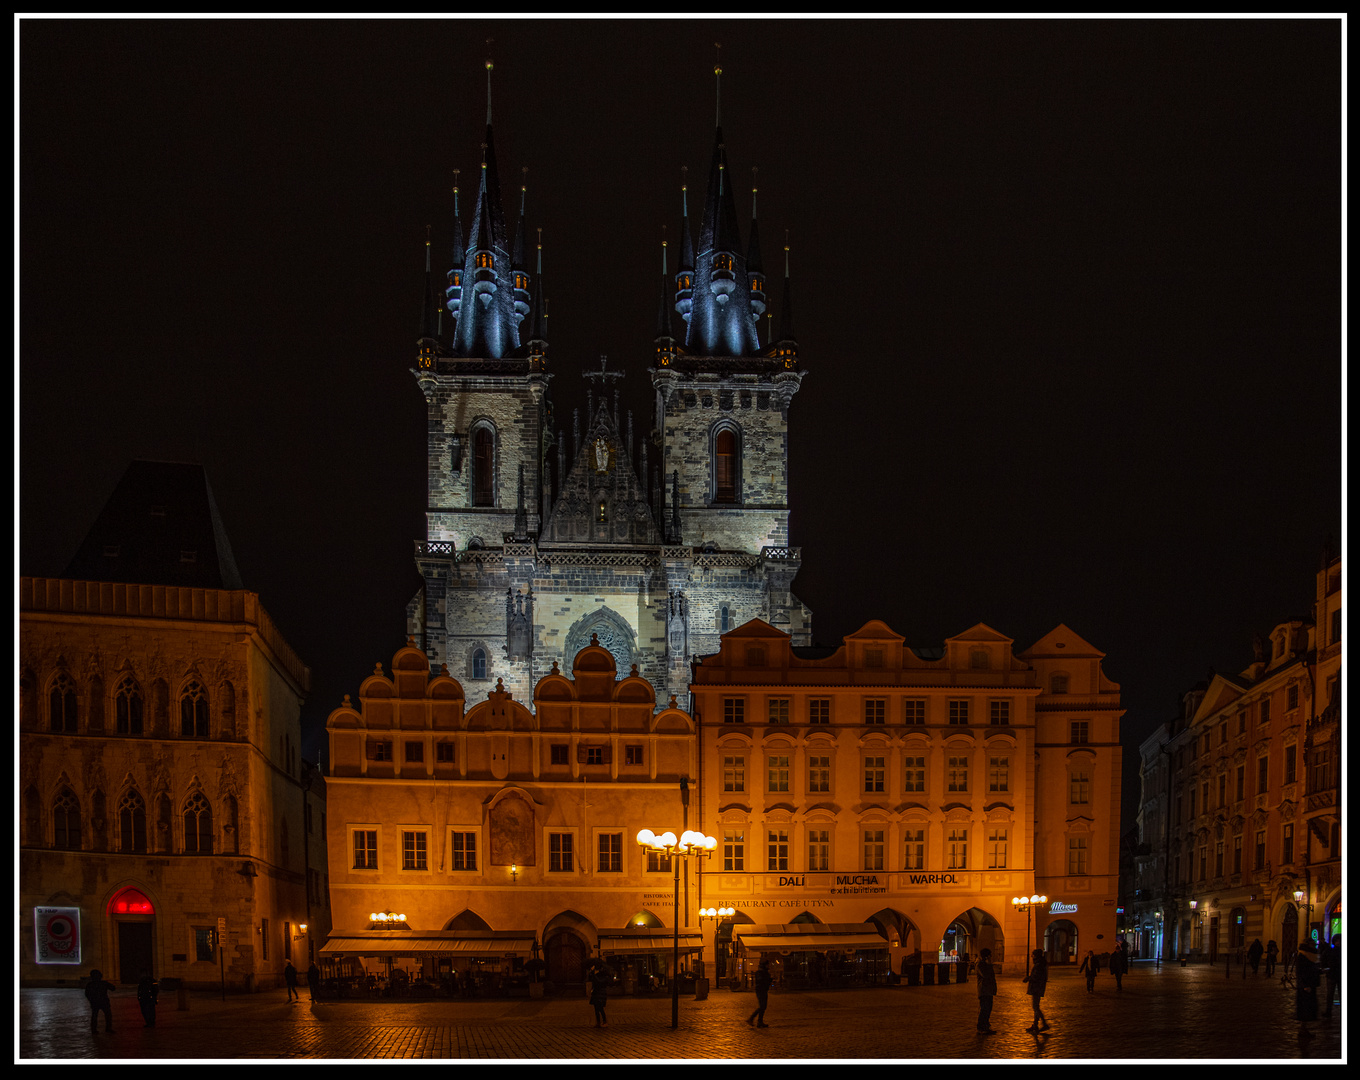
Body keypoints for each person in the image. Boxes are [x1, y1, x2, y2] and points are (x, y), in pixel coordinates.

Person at [1295, 941, 1320, 1039]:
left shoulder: (1311, 956)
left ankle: (1304, 1030)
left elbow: (1312, 970)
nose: (1314, 946)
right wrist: (1304, 985)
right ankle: (1303, 1031)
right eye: (1312, 944)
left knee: (1308, 1010)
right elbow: (1300, 972)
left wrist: (1320, 971)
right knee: (1305, 1009)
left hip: (1310, 986)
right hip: (1305, 988)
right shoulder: (1303, 956)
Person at [1022, 950, 1049, 1033]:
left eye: (1032, 955)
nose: (1031, 956)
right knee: (1036, 1006)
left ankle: (1044, 1024)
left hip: (1036, 987)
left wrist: (1028, 978)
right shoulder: (1040, 963)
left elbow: (1036, 976)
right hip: (1038, 987)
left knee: (1035, 1007)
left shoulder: (1039, 965)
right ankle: (1035, 1025)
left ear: (1036, 955)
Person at [85, 969, 116, 1033]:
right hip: (104, 1002)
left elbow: (87, 994)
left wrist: (91, 1000)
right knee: (108, 1015)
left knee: (94, 1015)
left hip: (95, 1002)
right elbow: (113, 988)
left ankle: (94, 1029)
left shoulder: (90, 984)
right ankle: (108, 1028)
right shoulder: (103, 983)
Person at [975, 948, 998, 1034]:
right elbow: (986, 975)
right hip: (984, 990)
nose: (991, 957)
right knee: (985, 1009)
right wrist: (989, 965)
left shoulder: (985, 964)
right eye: (989, 955)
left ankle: (986, 1025)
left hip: (988, 989)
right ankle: (981, 1027)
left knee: (988, 1009)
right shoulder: (981, 964)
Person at [747, 959, 772, 1028]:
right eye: (767, 965)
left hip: (764, 990)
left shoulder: (765, 972)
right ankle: (751, 1018)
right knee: (762, 1006)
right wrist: (767, 979)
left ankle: (760, 1022)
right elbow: (760, 980)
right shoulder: (760, 972)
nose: (768, 966)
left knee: (763, 1006)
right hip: (760, 990)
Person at [587, 962, 610, 1028]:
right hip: (596, 993)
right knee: (596, 1009)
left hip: (601, 993)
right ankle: (598, 1022)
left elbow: (599, 981)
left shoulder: (605, 976)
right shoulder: (598, 975)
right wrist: (591, 972)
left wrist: (593, 973)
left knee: (600, 1008)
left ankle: (605, 1021)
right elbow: (592, 979)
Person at [1323, 935, 1340, 1020]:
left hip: (1337, 975)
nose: (1339, 942)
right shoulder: (1330, 951)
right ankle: (1328, 1011)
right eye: (1337, 941)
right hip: (1332, 975)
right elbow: (1325, 960)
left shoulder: (1331, 951)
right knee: (1330, 994)